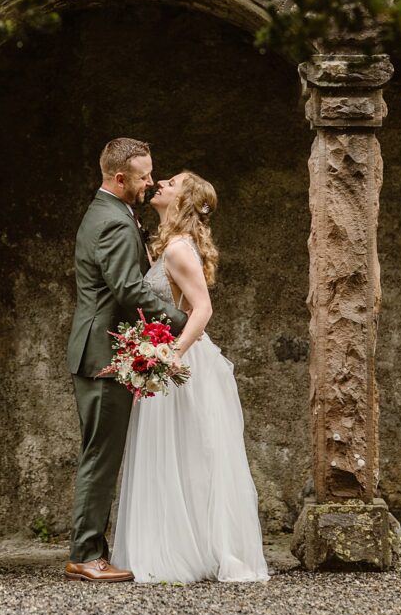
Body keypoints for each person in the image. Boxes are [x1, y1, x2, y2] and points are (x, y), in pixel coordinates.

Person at [111, 170, 269, 583]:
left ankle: (187, 550)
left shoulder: (180, 249)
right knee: (175, 457)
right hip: (168, 356)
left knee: (185, 457)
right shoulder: (168, 246)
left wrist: (171, 356)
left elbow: (203, 309)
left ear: (184, 200)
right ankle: (178, 546)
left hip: (181, 363)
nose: (161, 182)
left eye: (173, 182)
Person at [64, 138, 189, 582]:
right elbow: (128, 289)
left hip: (99, 348)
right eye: (143, 175)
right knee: (100, 456)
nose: (151, 181)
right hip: (102, 353)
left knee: (100, 453)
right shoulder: (114, 222)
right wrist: (177, 320)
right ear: (120, 178)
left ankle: (90, 549)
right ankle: (86, 555)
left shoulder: (109, 213)